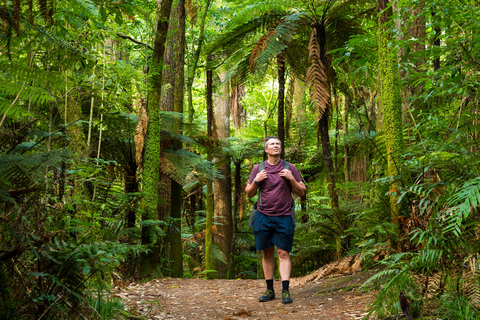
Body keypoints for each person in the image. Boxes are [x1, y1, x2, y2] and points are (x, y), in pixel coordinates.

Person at [245, 136, 306, 304]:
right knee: (267, 252)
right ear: (266, 149)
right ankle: (269, 290)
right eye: (272, 144)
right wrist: (257, 181)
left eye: (278, 144)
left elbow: (302, 192)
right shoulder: (258, 168)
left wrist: (291, 178)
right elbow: (249, 193)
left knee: (283, 252)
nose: (275, 146)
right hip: (263, 216)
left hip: (284, 216)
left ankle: (285, 291)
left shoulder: (289, 168)